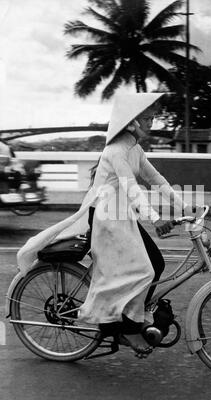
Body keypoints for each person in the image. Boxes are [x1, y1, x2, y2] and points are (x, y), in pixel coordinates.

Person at [17, 93, 193, 358]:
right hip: (107, 218)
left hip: (122, 216)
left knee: (156, 263)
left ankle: (135, 316)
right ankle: (125, 328)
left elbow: (156, 180)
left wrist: (185, 207)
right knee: (143, 270)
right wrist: (155, 218)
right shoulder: (116, 151)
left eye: (153, 117)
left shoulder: (134, 148)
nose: (152, 123)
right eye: (147, 118)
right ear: (132, 121)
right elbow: (131, 187)